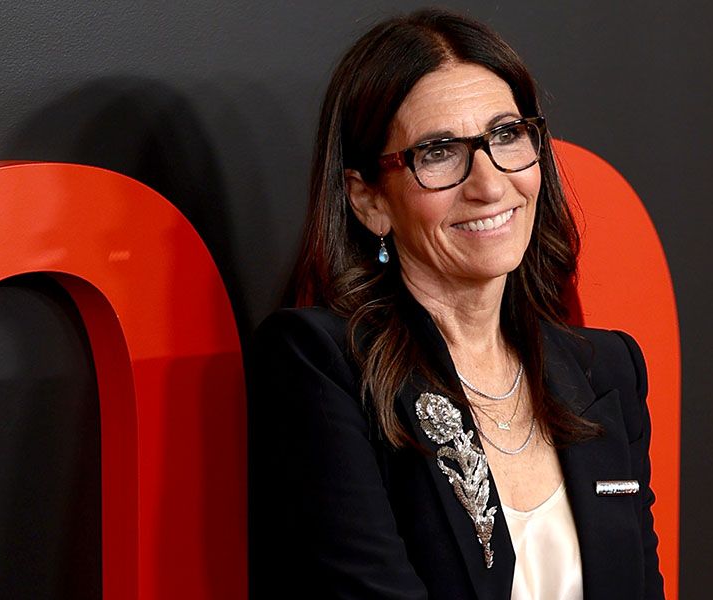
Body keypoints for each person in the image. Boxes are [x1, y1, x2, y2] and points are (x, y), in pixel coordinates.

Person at [250, 8, 664, 599]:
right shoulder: (321, 365)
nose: (490, 184)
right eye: (439, 152)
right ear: (369, 200)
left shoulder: (607, 370)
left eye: (506, 135)